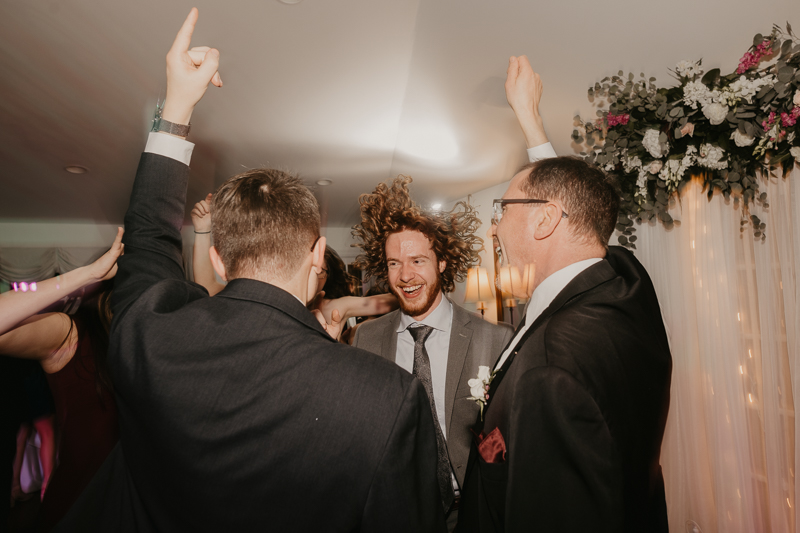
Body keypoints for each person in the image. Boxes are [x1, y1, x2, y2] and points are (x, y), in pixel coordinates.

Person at [55, 10, 445, 532]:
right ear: (317, 256)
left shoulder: (151, 339)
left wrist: (176, 105)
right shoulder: (386, 396)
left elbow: (148, 235)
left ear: (217, 258)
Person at [456, 56, 672, 532]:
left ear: (544, 220)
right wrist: (531, 125)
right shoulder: (626, 287)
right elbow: (585, 219)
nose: (494, 228)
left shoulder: (552, 363)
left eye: (502, 210)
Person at [349, 177, 513, 531]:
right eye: (394, 263)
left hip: (471, 512)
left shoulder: (495, 339)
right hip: (394, 513)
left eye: (418, 261)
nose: (405, 276)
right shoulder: (366, 338)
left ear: (441, 262)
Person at [0, 229, 124, 527]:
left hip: (127, 511)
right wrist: (85, 275)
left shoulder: (146, 345)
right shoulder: (72, 333)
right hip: (77, 508)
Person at [191, 193, 397, 330]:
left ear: (326, 277)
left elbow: (379, 304)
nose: (312, 270)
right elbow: (207, 286)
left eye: (320, 270)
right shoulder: (258, 300)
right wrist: (202, 230)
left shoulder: (330, 308)